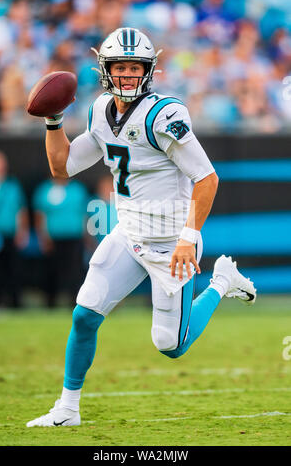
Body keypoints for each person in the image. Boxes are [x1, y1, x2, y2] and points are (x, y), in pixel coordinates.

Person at [27, 28, 256, 427]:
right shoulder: (100, 109)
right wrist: (54, 118)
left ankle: (221, 281)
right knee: (84, 316)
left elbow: (207, 178)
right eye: (121, 67)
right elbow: (62, 166)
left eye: (136, 67)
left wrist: (189, 238)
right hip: (128, 235)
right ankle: (67, 408)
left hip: (171, 243)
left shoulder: (164, 114)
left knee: (170, 345)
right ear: (106, 70)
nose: (128, 75)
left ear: (148, 71)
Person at [32, 176, 90, 307]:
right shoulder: (44, 189)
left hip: (74, 237)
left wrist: (86, 236)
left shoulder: (78, 189)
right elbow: (39, 215)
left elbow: (84, 215)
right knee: (51, 271)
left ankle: (75, 301)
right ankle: (50, 302)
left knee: (75, 271)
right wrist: (43, 237)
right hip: (52, 238)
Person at [0, 150, 29, 308]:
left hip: (11, 235)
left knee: (13, 269)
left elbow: (21, 210)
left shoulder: (12, 186)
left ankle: (15, 303)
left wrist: (23, 231)